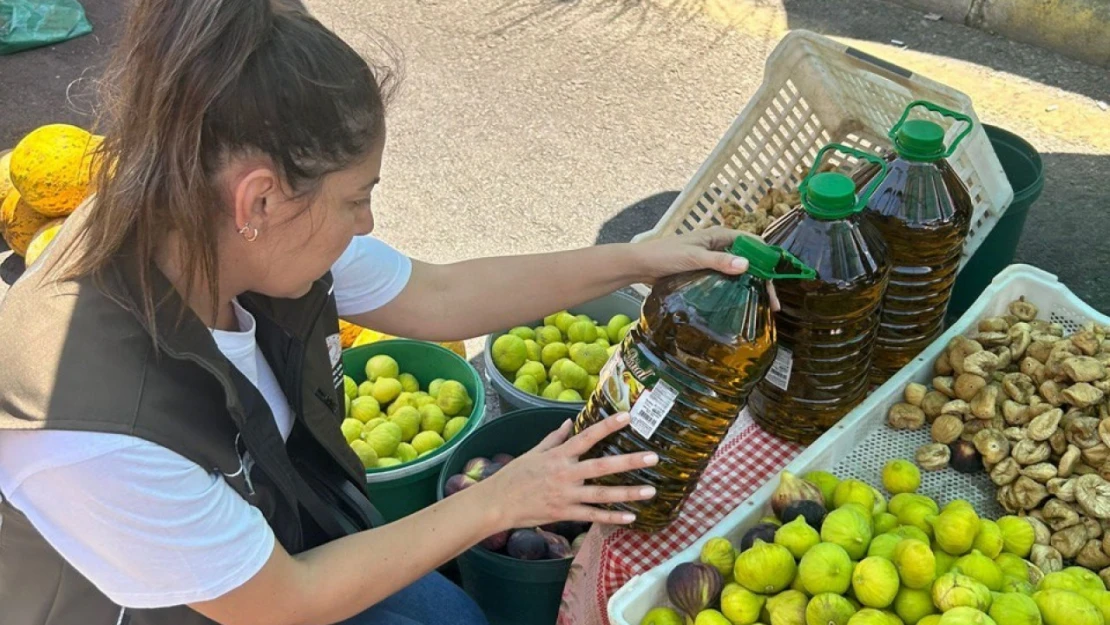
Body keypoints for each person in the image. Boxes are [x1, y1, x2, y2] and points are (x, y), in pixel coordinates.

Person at [0, 2, 764, 625]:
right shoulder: (86, 427)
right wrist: (508, 496)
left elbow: (439, 294)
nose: (365, 223)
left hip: (290, 544)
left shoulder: (214, 226)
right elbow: (281, 603)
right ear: (260, 198)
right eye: (357, 197)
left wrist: (641, 257)